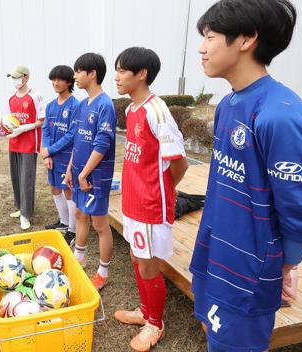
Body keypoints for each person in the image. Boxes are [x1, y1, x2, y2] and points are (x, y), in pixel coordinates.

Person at [188, 1, 302, 351]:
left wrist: (289, 262)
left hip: (248, 267)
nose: (202, 47)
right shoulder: (228, 104)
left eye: (210, 36)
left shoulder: (278, 115)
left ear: (247, 38)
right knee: (213, 333)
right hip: (217, 250)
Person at [112, 47, 189, 351]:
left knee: (148, 265)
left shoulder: (157, 111)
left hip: (150, 206)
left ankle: (155, 323)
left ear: (141, 74)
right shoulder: (131, 110)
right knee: (136, 258)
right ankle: (145, 312)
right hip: (132, 202)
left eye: (121, 70)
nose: (116, 77)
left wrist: (162, 193)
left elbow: (179, 162)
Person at [64, 53, 116, 291]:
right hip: (79, 173)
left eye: (78, 71)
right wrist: (70, 170)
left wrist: (85, 174)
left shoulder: (105, 105)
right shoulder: (83, 104)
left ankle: (103, 272)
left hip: (95, 177)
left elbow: (102, 145)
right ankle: (79, 258)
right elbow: (78, 141)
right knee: (80, 215)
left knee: (99, 224)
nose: (75, 76)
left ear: (92, 73)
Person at [41, 65, 80, 244]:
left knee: (68, 190)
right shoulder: (50, 106)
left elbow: (72, 135)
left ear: (69, 81)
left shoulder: (75, 106)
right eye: (53, 79)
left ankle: (73, 230)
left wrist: (51, 150)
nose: (55, 83)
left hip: (67, 157)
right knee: (55, 188)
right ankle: (63, 222)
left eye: (60, 79)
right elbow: (46, 130)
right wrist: (47, 153)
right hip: (53, 156)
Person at [5, 64, 45, 230]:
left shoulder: (34, 96)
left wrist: (24, 128)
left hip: (29, 143)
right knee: (16, 177)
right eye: (13, 78)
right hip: (14, 142)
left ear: (26, 77)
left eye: (17, 77)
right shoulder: (11, 98)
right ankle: (20, 207)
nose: (15, 81)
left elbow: (41, 120)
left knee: (26, 178)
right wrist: (8, 128)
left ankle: (26, 214)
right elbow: (9, 119)